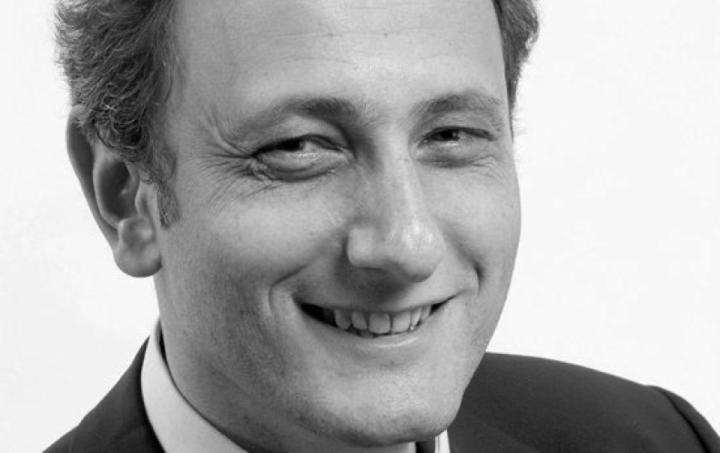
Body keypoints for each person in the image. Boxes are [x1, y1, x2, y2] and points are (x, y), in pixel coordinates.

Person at [47, 0, 719, 452]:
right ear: (126, 197)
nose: (408, 243)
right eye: (298, 148)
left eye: (451, 135)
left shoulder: (658, 439)